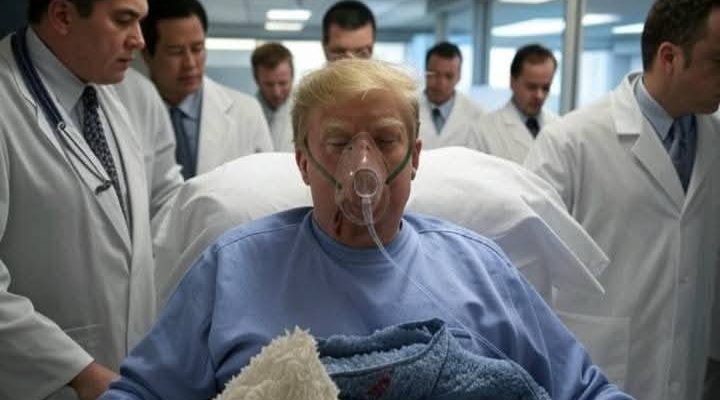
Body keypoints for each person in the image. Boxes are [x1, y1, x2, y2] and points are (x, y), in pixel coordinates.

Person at [101, 58, 631, 400]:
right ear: (303, 162)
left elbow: (586, 391)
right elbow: (139, 393)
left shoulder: (479, 268)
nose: (363, 165)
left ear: (414, 157)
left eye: (384, 140)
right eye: (339, 143)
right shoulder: (232, 268)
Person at [524, 0, 720, 398]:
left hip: (689, 376)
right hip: (595, 378)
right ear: (669, 57)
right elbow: (523, 276)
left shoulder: (714, 141)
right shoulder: (570, 143)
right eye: (717, 61)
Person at [0, 0, 182, 398]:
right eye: (123, 20)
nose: (139, 40)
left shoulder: (115, 94)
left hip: (127, 371)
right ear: (63, 16)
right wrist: (78, 372)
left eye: (140, 21)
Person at [141, 0, 273, 179]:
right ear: (147, 54)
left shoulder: (247, 112)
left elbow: (268, 184)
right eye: (176, 51)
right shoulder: (127, 112)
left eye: (197, 49)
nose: (190, 63)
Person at [474, 44, 559, 163]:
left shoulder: (558, 127)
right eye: (531, 87)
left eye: (546, 88)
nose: (539, 95)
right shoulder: (483, 130)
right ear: (512, 82)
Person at [419, 41, 484, 149]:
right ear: (425, 73)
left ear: (459, 77)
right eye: (434, 74)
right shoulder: (407, 108)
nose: (441, 83)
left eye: (448, 76)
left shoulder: (476, 115)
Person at [251, 42, 294, 152]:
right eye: (269, 84)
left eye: (283, 83)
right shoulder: (246, 114)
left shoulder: (308, 111)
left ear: (292, 76)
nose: (276, 92)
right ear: (256, 80)